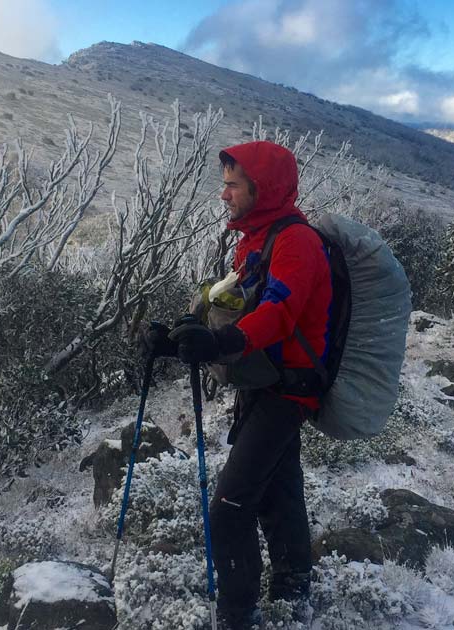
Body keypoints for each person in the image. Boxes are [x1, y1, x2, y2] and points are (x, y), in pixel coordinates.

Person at [146, 141, 332, 628]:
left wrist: (222, 342)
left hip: (288, 389)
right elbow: (233, 302)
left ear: (260, 187)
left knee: (229, 508)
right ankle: (294, 590)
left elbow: (279, 311)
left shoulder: (296, 242)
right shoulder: (255, 238)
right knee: (279, 491)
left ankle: (237, 614)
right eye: (224, 183)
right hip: (264, 382)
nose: (223, 194)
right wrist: (176, 339)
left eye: (232, 184)